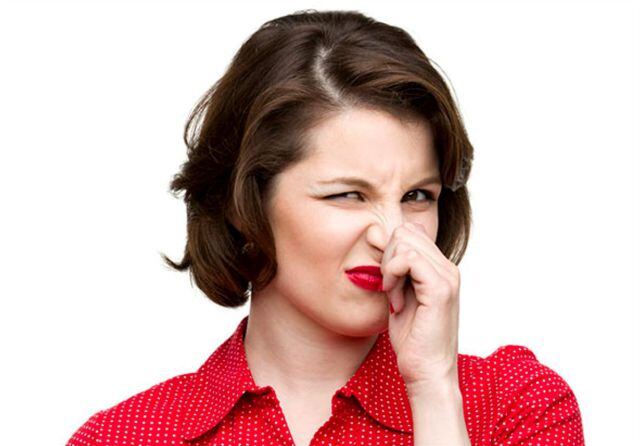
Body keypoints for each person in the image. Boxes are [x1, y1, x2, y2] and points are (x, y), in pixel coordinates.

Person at [66, 9, 585, 446]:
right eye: (347, 195)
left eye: (417, 196)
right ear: (245, 203)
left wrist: (432, 388)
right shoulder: (125, 436)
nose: (391, 234)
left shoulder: (518, 406)